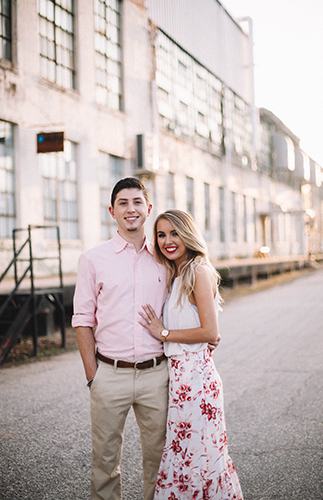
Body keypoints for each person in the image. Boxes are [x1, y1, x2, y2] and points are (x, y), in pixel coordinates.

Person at [72, 177, 169, 500]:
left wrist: (208, 334)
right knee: (105, 464)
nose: (131, 209)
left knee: (159, 461)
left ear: (148, 209)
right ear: (112, 211)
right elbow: (83, 320)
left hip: (157, 375)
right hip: (109, 374)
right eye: (123, 203)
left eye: (137, 202)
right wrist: (92, 376)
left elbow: (187, 303)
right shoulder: (93, 260)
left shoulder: (165, 259)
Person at [139, 209, 243, 500]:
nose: (167, 241)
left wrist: (163, 333)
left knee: (200, 459)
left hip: (196, 379)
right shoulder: (176, 274)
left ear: (187, 234)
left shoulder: (198, 270)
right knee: (185, 458)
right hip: (180, 378)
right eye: (161, 234)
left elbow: (210, 332)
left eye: (174, 233)